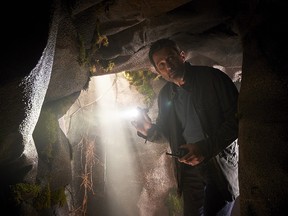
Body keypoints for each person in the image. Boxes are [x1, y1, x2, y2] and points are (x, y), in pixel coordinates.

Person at [131, 38, 239, 216]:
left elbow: (236, 120)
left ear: (182, 56)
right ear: (157, 71)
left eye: (171, 58)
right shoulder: (166, 94)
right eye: (162, 64)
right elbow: (168, 134)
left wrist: (205, 148)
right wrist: (148, 131)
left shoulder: (213, 78)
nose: (168, 66)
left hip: (218, 167)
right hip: (189, 171)